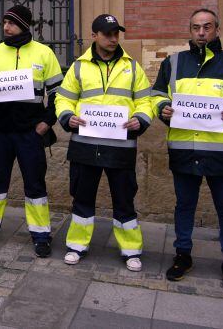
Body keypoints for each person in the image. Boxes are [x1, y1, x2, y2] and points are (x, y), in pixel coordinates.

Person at [151, 8, 223, 292]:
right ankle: (183, 255)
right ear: (189, 31)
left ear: (217, 30)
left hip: (222, 153)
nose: (201, 32)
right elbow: (156, 95)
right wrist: (161, 109)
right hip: (184, 151)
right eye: (196, 28)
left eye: (207, 27)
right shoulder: (173, 63)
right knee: (184, 207)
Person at [55, 14, 153, 272]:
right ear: (94, 36)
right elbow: (63, 99)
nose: (112, 38)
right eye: (107, 34)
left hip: (121, 147)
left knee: (124, 200)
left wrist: (140, 120)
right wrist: (67, 117)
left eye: (116, 34)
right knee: (82, 198)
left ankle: (131, 250)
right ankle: (76, 245)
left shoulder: (132, 67)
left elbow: (146, 101)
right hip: (85, 146)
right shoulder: (78, 67)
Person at [0, 5, 63, 258]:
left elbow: (58, 94)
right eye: (4, 22)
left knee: (35, 183)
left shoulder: (44, 53)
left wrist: (47, 122)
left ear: (25, 25)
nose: (6, 27)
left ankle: (41, 234)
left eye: (11, 22)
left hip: (30, 132)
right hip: (1, 131)